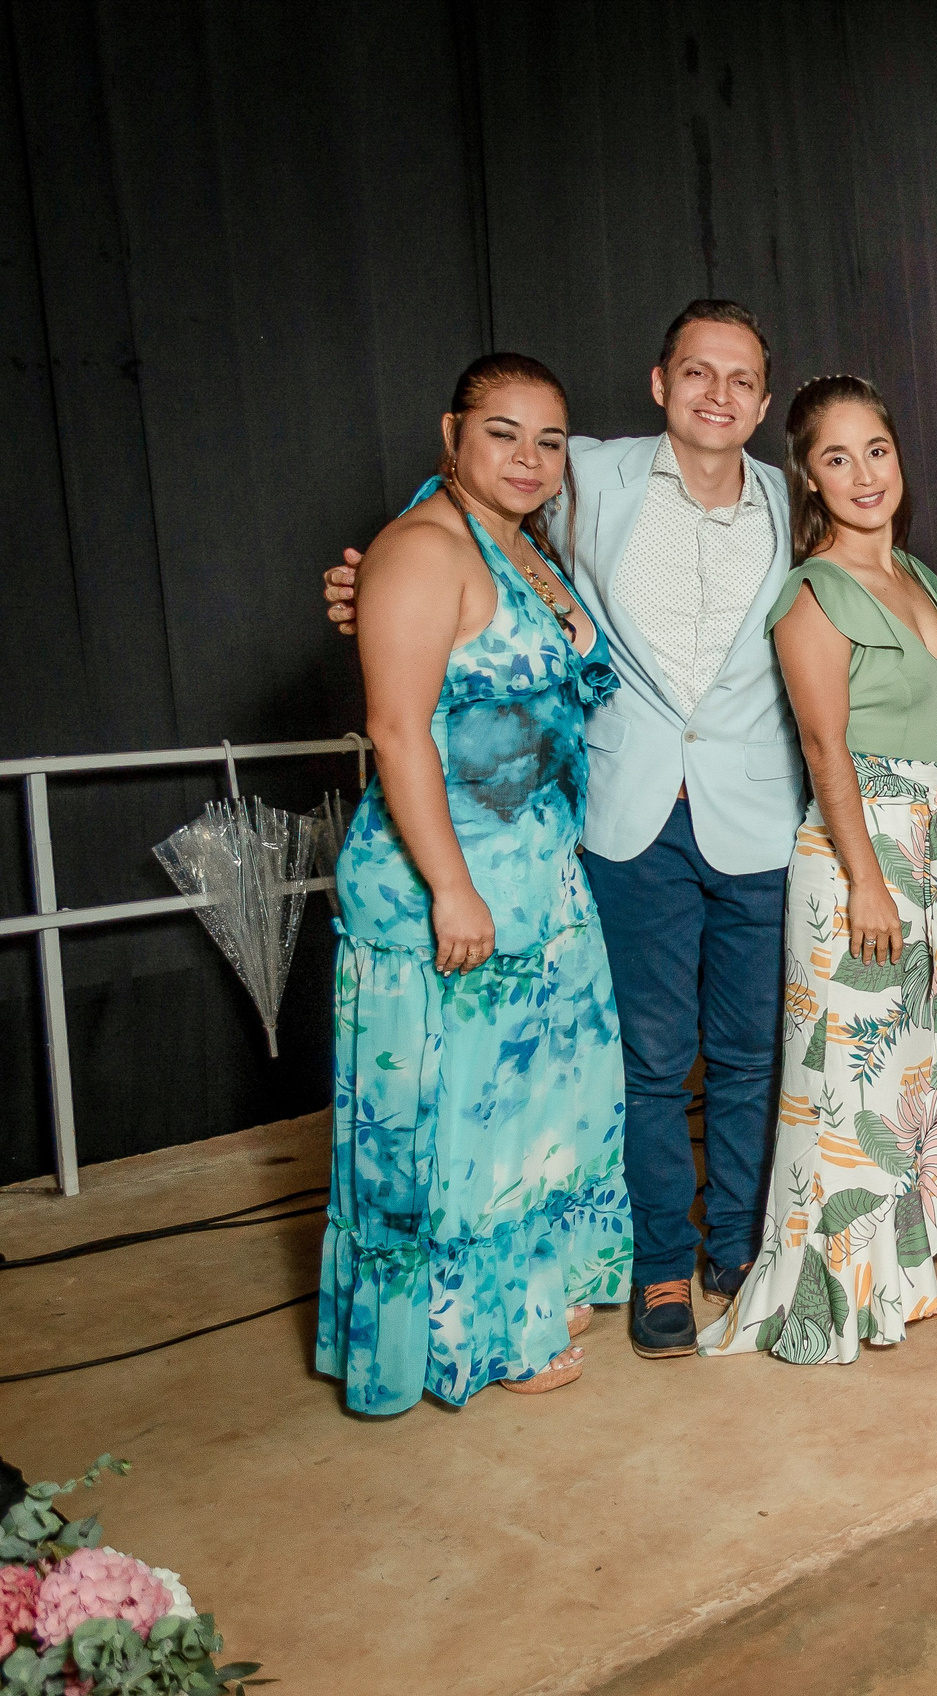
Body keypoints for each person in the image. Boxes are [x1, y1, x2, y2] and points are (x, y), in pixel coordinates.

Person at [329, 301, 802, 1362]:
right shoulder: (584, 471)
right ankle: (659, 1262)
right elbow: (452, 521)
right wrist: (373, 582)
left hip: (756, 813)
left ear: (765, 403)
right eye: (697, 372)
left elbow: (864, 572)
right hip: (626, 815)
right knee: (647, 1058)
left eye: (740, 380)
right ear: (659, 383)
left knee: (747, 1052)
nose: (718, 395)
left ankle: (737, 1248)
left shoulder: (793, 497)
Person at [318, 353, 628, 1413]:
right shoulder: (420, 549)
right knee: (463, 1126)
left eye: (549, 440)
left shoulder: (524, 546)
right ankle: (474, 1336)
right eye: (503, 432)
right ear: (451, 435)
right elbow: (397, 729)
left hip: (539, 880)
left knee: (535, 1115)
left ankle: (523, 1295)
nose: (529, 457)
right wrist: (452, 888)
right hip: (450, 888)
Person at [699, 376, 937, 1364]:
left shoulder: (916, 573)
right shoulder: (813, 591)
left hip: (927, 849)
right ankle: (829, 1295)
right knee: (844, 1085)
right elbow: (825, 749)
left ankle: (897, 1270)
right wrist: (866, 878)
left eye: (876, 450)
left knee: (911, 1068)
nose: (864, 473)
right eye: (836, 457)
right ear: (808, 477)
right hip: (854, 851)